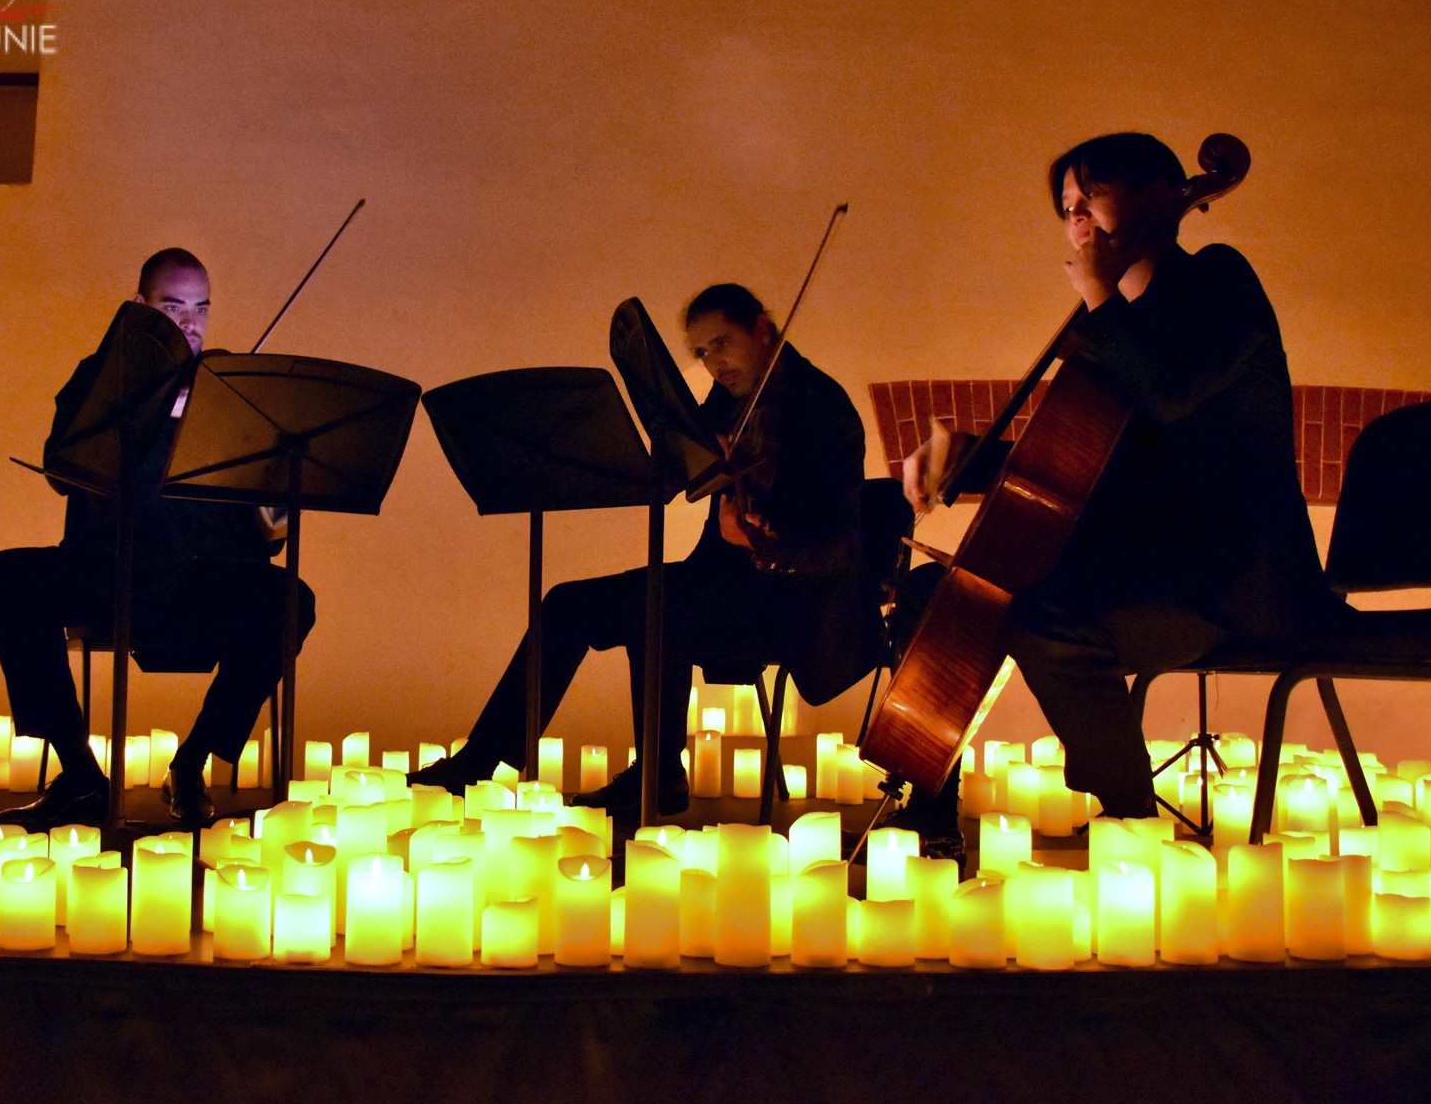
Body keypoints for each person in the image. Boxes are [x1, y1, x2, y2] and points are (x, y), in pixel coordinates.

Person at [901, 132, 1338, 819]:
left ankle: (1127, 814)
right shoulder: (1109, 333)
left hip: (1233, 581)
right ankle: (927, 806)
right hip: (1152, 566)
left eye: (1091, 194)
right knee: (939, 591)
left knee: (1049, 619)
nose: (1075, 216)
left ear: (1163, 195)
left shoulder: (1218, 282)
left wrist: (1103, 298)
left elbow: (1170, 391)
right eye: (1066, 205)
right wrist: (966, 454)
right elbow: (1077, 451)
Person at [410, 283, 884, 820]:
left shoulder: (823, 408)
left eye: (722, 344)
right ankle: (480, 759)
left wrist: (762, 540)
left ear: (762, 330)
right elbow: (692, 461)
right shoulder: (733, 400)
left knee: (660, 608)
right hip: (720, 585)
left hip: (794, 605)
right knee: (570, 604)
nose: (714, 364)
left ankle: (658, 775)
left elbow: (836, 544)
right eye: (702, 353)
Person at [0, 248, 314, 831]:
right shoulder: (98, 379)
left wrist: (269, 469)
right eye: (172, 305)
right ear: (139, 308)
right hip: (105, 570)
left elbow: (270, 535)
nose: (190, 322)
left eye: (202, 307)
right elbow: (63, 473)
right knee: (3, 577)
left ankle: (191, 764)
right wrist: (156, 413)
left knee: (290, 600)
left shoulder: (231, 390)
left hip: (198, 578)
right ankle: (79, 774)